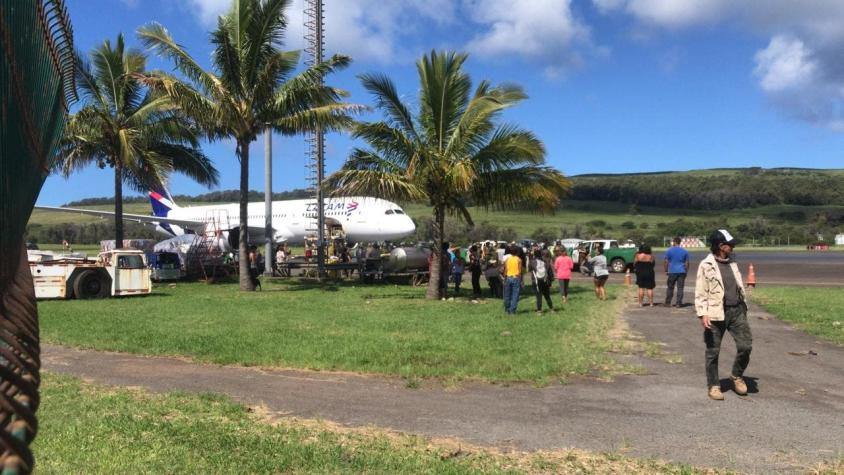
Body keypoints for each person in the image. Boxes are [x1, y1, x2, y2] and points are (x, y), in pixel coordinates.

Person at [696, 229, 752, 401]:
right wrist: (702, 314)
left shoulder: (732, 262)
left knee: (746, 346)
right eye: (730, 244)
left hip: (736, 311)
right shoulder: (706, 265)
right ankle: (713, 385)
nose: (733, 247)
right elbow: (700, 291)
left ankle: (736, 376)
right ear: (721, 246)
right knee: (713, 352)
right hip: (715, 313)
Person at [664, 236, 690, 306]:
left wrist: (666, 270)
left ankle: (668, 302)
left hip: (672, 271)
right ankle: (678, 303)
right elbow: (687, 263)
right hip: (682, 271)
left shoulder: (669, 250)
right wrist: (686, 271)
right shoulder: (684, 251)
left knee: (670, 287)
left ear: (675, 242)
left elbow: (666, 261)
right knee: (680, 288)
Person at [529, 248, 554, 313]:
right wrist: (550, 282)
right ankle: (551, 309)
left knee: (538, 296)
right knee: (547, 296)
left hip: (536, 281)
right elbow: (550, 273)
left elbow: (529, 269)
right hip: (545, 281)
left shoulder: (532, 262)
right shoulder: (546, 262)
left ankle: (539, 310)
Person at [501, 245, 523, 314]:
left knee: (507, 295)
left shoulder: (507, 259)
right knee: (515, 295)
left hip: (508, 277)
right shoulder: (519, 260)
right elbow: (520, 271)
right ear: (517, 252)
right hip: (516, 277)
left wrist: (504, 277)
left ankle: (507, 309)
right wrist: (521, 279)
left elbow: (505, 269)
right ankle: (512, 310)